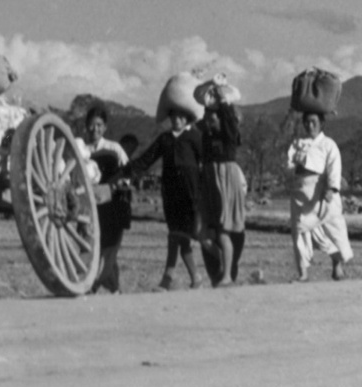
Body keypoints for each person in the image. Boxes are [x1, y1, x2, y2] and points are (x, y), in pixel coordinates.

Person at [122, 109, 206, 290]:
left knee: (184, 235)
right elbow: (147, 159)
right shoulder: (165, 139)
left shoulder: (194, 137)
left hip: (189, 194)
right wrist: (128, 169)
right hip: (170, 193)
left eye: (181, 116)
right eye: (174, 116)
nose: (177, 119)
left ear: (187, 118)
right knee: (177, 235)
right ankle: (192, 277)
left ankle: (173, 278)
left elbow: (207, 162)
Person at [285, 111, 353, 282]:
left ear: (321, 123)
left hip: (322, 193)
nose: (310, 125)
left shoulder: (328, 144)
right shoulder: (297, 143)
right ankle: (303, 273)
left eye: (314, 122)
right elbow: (288, 166)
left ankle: (337, 264)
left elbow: (334, 167)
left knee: (332, 230)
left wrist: (331, 188)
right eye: (307, 122)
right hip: (301, 193)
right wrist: (296, 170)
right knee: (299, 230)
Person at [78, 103, 132, 294]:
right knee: (96, 248)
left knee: (109, 249)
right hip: (88, 207)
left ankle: (94, 286)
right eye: (92, 125)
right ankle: (115, 290)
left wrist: (118, 188)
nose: (95, 129)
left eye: (100, 125)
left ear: (105, 127)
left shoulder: (113, 148)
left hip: (111, 205)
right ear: (86, 126)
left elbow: (128, 174)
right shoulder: (80, 149)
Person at [200, 93, 248, 285]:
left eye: (212, 119)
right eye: (207, 119)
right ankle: (223, 265)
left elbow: (229, 121)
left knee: (223, 232)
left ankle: (227, 274)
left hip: (227, 182)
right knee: (208, 233)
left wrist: (223, 102)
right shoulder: (207, 137)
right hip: (213, 183)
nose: (209, 123)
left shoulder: (228, 137)